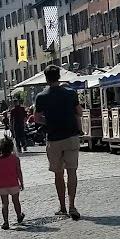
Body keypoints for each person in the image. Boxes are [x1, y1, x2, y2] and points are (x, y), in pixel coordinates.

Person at [34, 65, 83, 220]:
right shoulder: (70, 93)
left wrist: (48, 120)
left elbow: (36, 118)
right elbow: (79, 112)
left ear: (46, 78)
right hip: (71, 136)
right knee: (72, 171)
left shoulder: (41, 96)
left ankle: (62, 206)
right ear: (59, 76)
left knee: (58, 173)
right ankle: (72, 205)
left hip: (54, 138)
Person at [0, 135, 25, 230]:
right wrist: (21, 183)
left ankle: (6, 222)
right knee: (16, 201)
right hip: (14, 183)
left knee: (4, 204)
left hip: (2, 185)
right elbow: (19, 172)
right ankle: (19, 215)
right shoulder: (15, 158)